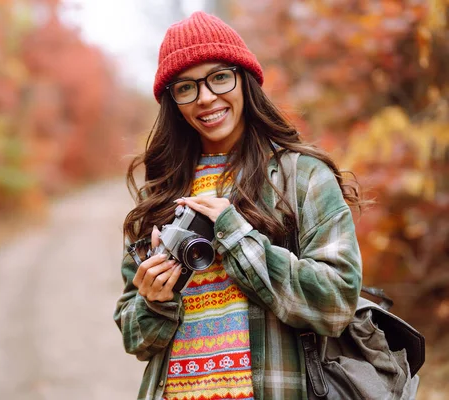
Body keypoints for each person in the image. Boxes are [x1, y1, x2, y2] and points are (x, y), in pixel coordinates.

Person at [114, 11, 362, 400]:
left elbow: (336, 303)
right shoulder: (159, 196)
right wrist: (155, 301)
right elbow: (135, 339)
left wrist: (236, 237)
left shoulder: (301, 176)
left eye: (219, 77)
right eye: (186, 87)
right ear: (173, 101)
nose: (206, 97)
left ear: (244, 79)